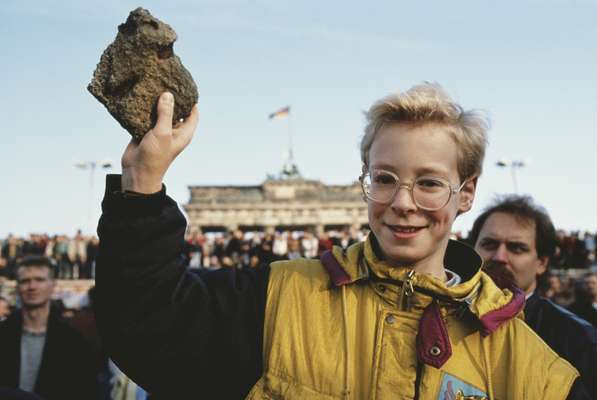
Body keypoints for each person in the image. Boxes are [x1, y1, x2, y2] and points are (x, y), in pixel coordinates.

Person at [96, 86, 587, 399]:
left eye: (430, 183)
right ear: (365, 181)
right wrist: (140, 189)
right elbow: (149, 328)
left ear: (467, 193)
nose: (403, 202)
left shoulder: (527, 353)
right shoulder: (279, 297)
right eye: (386, 177)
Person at [469, 195, 597, 398]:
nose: (499, 257)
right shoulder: (438, 318)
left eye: (516, 248)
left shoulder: (577, 340)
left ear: (542, 263)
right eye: (489, 244)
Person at [0, 256, 98, 399]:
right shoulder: (3, 334)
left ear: (53, 285)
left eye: (39, 280)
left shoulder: (73, 340)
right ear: (17, 287)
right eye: (25, 281)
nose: (32, 286)